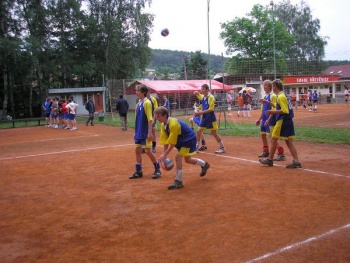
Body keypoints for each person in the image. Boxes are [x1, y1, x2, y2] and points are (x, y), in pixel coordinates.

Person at [154, 106, 210, 190]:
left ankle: (178, 181)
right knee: (187, 160)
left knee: (178, 156)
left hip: (188, 139)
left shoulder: (173, 124)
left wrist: (165, 154)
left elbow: (172, 143)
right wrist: (164, 155)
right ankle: (204, 164)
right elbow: (166, 142)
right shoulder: (163, 125)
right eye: (156, 116)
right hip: (182, 141)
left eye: (158, 116)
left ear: (164, 115)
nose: (156, 118)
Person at [259, 79, 301, 168]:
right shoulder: (282, 95)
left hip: (282, 120)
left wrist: (272, 112)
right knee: (288, 141)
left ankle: (270, 160)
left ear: (275, 86)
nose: (272, 88)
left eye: (273, 86)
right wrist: (269, 103)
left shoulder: (280, 97)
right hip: (288, 121)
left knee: (274, 138)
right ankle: (296, 161)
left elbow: (285, 110)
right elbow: (278, 105)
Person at [129, 84, 161, 179]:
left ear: (143, 92)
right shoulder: (138, 104)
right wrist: (135, 131)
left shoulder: (147, 103)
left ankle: (157, 169)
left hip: (145, 131)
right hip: (139, 131)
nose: (136, 92)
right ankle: (138, 171)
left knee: (147, 151)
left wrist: (150, 132)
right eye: (136, 90)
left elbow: (150, 119)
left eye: (138, 91)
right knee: (137, 150)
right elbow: (136, 120)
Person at [257, 80, 286, 161]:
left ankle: (281, 153)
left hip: (270, 119)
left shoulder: (272, 96)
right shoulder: (265, 97)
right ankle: (266, 151)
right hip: (264, 119)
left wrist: (269, 119)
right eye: (264, 85)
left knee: (272, 137)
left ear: (270, 86)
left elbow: (274, 108)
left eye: (265, 85)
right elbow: (263, 110)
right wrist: (259, 119)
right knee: (263, 134)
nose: (264, 87)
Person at [194, 84, 226, 154]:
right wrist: (197, 109)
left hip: (210, 117)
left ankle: (222, 147)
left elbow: (211, 109)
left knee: (213, 133)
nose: (202, 91)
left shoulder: (211, 97)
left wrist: (200, 112)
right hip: (204, 117)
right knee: (198, 131)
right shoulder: (203, 97)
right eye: (201, 89)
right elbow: (201, 100)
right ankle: (196, 147)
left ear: (207, 90)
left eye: (203, 89)